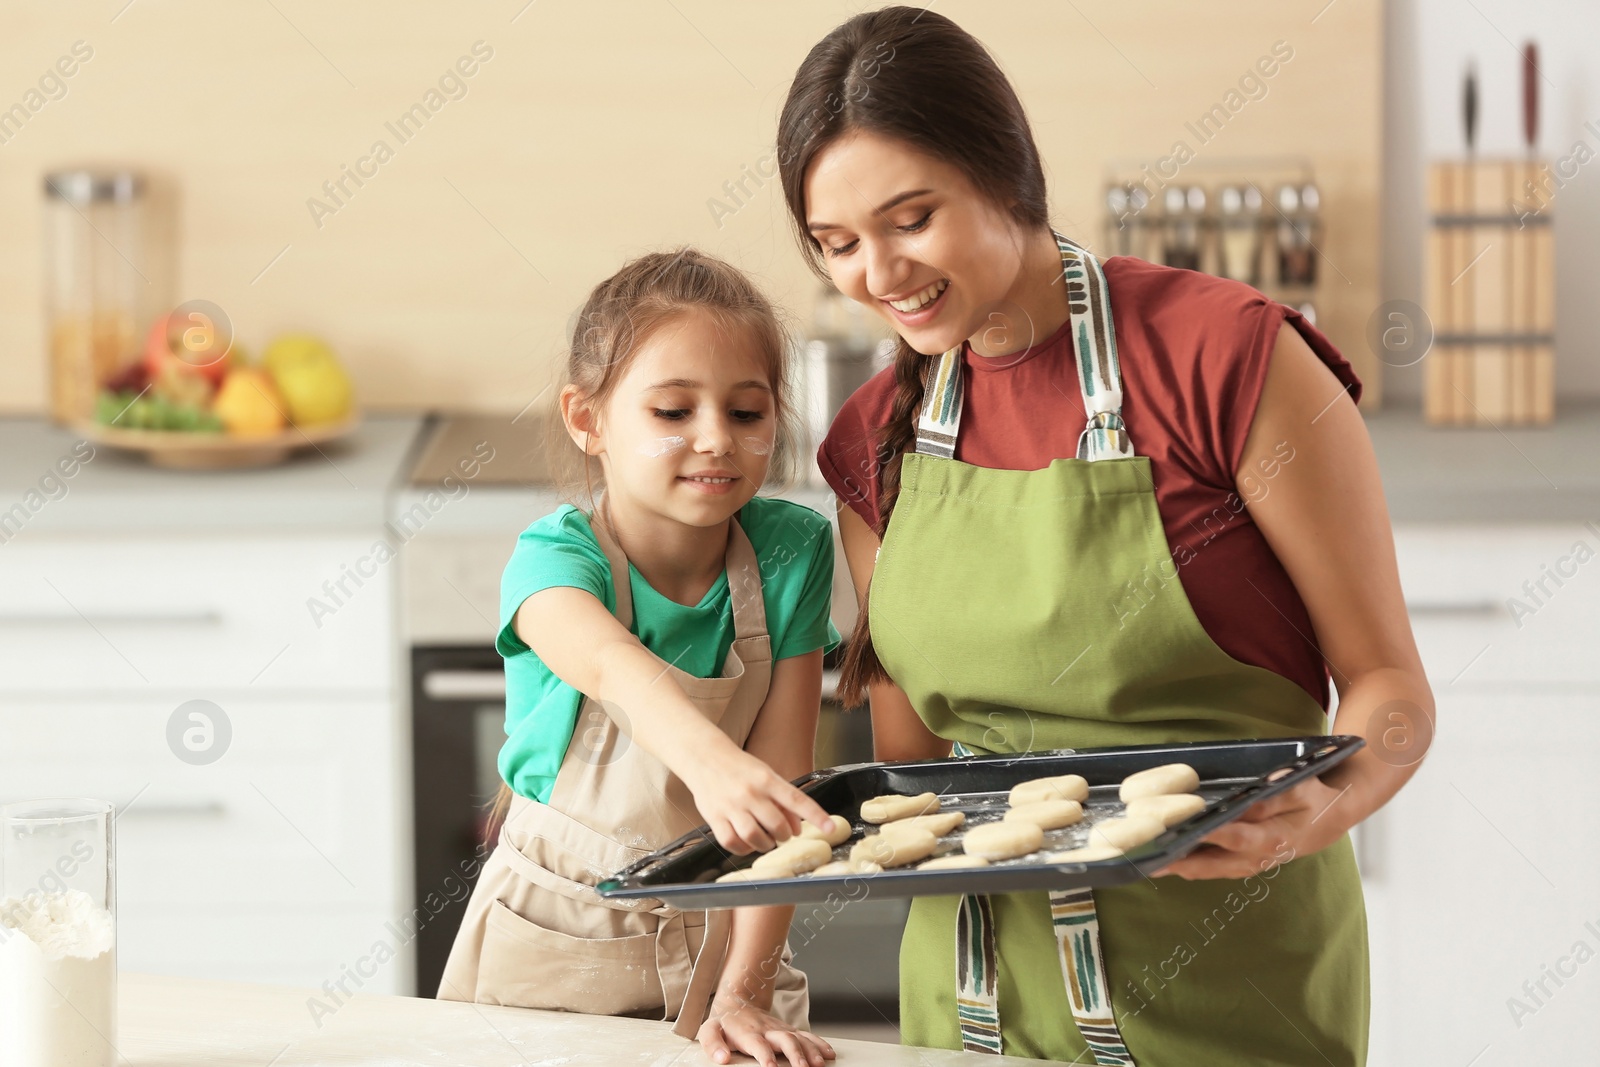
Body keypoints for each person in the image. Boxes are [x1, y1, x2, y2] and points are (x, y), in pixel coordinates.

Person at [779, 9, 1433, 1064]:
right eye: (837, 243)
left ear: (1007, 173)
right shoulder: (874, 441)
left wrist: (1310, 816)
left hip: (1227, 979)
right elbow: (918, 775)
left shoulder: (1227, 359)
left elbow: (1391, 693)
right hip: (969, 1004)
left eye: (911, 218)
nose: (878, 273)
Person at [439, 248, 840, 1067]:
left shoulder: (794, 549)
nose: (714, 440)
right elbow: (610, 665)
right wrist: (711, 764)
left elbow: (782, 796)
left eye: (747, 412)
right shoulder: (555, 559)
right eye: (671, 412)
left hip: (728, 942)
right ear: (587, 420)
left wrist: (747, 989)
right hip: (553, 937)